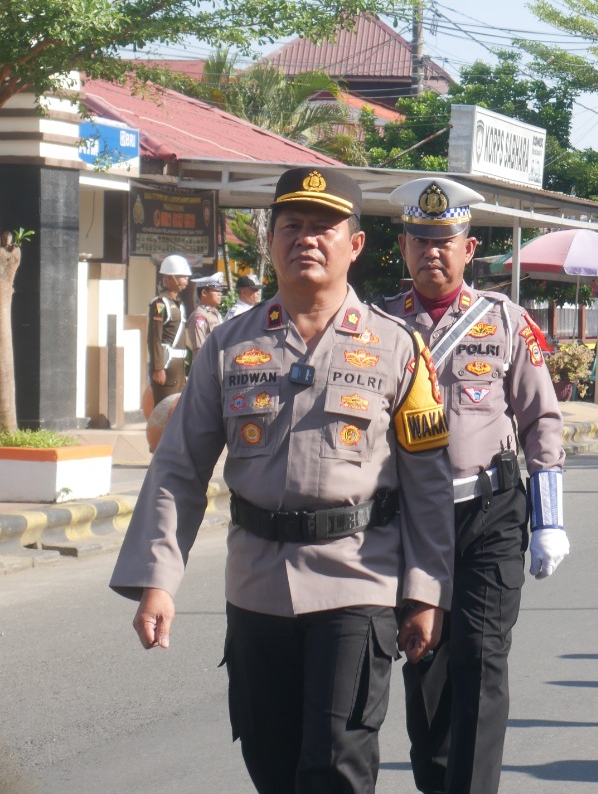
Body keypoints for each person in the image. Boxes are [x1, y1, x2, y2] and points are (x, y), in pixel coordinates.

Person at [111, 167, 455, 794]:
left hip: (357, 579)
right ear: (270, 241)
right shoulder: (226, 346)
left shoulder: (399, 347)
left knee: (337, 765)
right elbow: (179, 468)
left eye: (324, 227)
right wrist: (158, 580)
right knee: (271, 764)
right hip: (257, 587)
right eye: (291, 225)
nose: (306, 239)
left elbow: (427, 483)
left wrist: (426, 590)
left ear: (355, 244)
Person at [386, 175, 570, 794]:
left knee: (483, 658)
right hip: (411, 520)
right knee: (425, 658)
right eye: (420, 240)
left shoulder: (505, 322)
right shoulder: (377, 325)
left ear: (468, 248)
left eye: (445, 241)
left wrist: (549, 520)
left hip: (489, 510)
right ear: (403, 247)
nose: (431, 252)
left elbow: (541, 420)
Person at [147, 254, 191, 407]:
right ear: (169, 278)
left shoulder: (178, 304)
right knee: (164, 409)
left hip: (178, 366)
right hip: (166, 365)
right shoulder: (160, 304)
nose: (186, 278)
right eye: (182, 276)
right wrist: (158, 368)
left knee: (177, 410)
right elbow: (154, 338)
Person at [187, 273, 225, 357]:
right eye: (216, 290)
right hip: (207, 362)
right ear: (204, 293)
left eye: (220, 291)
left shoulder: (216, 314)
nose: (220, 294)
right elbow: (199, 348)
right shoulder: (199, 316)